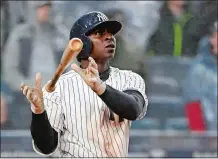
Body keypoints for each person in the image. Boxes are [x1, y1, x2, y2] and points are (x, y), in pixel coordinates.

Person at [20, 11, 148, 158]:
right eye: (99, 33)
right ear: (81, 43)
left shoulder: (130, 79)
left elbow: (134, 109)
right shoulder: (58, 87)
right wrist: (38, 113)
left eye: (111, 33)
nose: (109, 37)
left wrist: (101, 88)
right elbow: (46, 147)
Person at [183, 21, 217, 130]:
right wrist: (204, 142)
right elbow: (193, 107)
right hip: (210, 139)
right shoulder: (199, 70)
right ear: (213, 39)